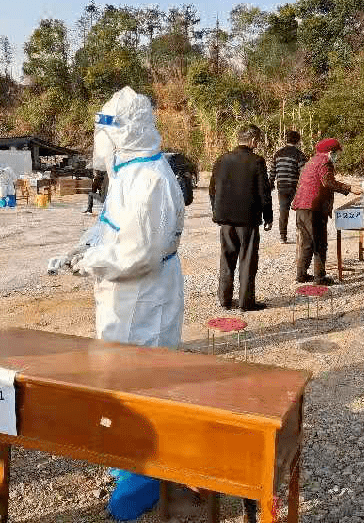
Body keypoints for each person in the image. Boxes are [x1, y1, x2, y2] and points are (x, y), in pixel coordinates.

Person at [47, 87, 185, 520]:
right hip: (122, 296)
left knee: (141, 381)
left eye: (104, 131)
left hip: (145, 298)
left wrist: (91, 262)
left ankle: (144, 476)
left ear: (124, 132)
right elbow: (110, 225)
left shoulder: (151, 180)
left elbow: (138, 251)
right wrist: (81, 247)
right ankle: (126, 456)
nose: (99, 142)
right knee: (118, 377)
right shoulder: (128, 173)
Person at [209, 124, 273, 311]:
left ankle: (225, 300)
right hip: (248, 220)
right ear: (253, 141)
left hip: (226, 220)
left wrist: (217, 212)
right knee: (247, 260)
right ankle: (246, 302)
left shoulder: (221, 160)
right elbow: (264, 192)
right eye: (257, 141)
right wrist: (268, 215)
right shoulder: (257, 161)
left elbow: (213, 190)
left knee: (227, 258)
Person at [292, 138, 362, 285]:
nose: (338, 156)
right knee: (319, 242)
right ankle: (320, 277)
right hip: (314, 207)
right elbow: (327, 182)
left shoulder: (313, 160)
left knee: (306, 242)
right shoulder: (325, 161)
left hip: (303, 206)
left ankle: (301, 274)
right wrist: (349, 188)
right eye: (337, 153)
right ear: (331, 152)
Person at [269, 129, 308, 243]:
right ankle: (301, 235)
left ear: (286, 140)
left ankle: (283, 236)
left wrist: (271, 184)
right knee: (300, 210)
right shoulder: (299, 154)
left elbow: (272, 172)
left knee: (283, 210)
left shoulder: (278, 153)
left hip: (282, 186)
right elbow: (303, 173)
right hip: (295, 186)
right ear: (298, 141)